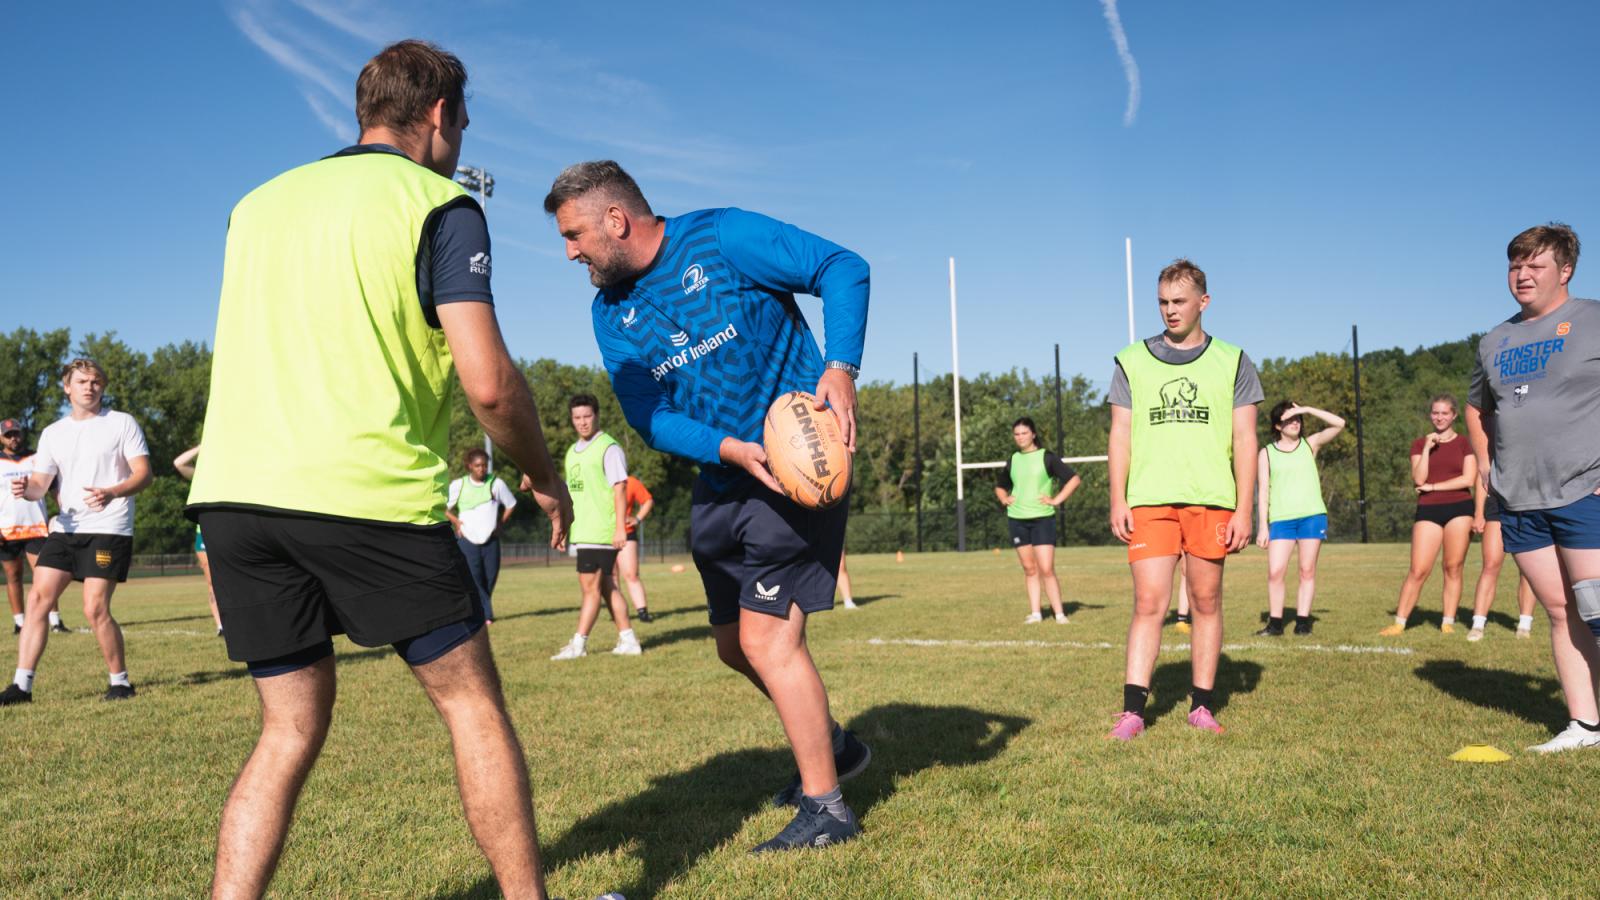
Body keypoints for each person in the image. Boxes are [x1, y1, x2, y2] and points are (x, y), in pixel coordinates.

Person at [182, 41, 578, 898]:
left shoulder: (256, 204)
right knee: (470, 705)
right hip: (361, 491)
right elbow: (489, 383)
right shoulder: (440, 203)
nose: (464, 142)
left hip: (233, 496)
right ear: (437, 115)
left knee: (286, 731)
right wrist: (544, 474)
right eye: (464, 122)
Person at [547, 159, 872, 851]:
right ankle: (833, 746)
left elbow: (843, 266)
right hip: (724, 477)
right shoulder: (611, 313)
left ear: (616, 220)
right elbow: (647, 413)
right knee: (732, 646)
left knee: (767, 639)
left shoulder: (721, 238)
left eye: (574, 233)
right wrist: (728, 448)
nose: (569, 250)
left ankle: (828, 809)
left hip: (795, 472)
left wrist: (840, 369)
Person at [1106, 259, 1261, 740]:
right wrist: (1118, 498)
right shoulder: (1130, 359)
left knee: (1205, 600)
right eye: (1163, 302)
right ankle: (1133, 711)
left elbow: (1245, 440)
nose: (1170, 311)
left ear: (1203, 303)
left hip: (1211, 498)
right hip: (1150, 500)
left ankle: (1201, 705)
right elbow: (1120, 436)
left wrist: (1244, 508)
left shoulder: (1233, 360)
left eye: (1178, 301)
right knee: (1149, 601)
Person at [1467, 222, 1600, 753]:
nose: (1522, 274)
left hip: (1584, 490)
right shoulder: (1493, 340)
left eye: (1535, 265)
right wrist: (1483, 464)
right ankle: (1585, 725)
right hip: (1519, 498)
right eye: (1515, 265)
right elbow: (1478, 408)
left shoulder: (1592, 320)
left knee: (1597, 610)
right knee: (1561, 612)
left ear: (1564, 271)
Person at [2, 359, 152, 705]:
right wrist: (27, 489)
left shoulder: (121, 423)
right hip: (66, 527)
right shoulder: (53, 433)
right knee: (38, 599)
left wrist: (113, 491)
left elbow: (144, 474)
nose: (90, 386)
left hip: (109, 527)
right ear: (67, 387)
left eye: (97, 381)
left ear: (103, 387)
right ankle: (21, 686)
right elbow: (41, 484)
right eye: (82, 381)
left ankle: (120, 683)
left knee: (94, 608)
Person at [550, 394, 641, 659]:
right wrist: (564, 528)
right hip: (582, 531)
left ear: (597, 415)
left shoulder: (608, 447)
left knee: (590, 588)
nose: (582, 422)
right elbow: (570, 495)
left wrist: (619, 528)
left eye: (587, 416)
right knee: (605, 587)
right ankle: (628, 639)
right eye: (577, 418)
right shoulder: (571, 452)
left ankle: (578, 645)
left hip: (601, 531)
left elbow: (620, 488)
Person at [1380, 395, 1477, 636]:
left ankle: (1447, 622)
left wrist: (1435, 487)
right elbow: (1419, 479)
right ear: (1430, 415)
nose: (1439, 417)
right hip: (1428, 510)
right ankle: (1399, 622)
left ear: (1454, 415)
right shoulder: (1418, 444)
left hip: (1460, 508)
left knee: (1452, 567)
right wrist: (1426, 448)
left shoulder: (1466, 443)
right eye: (1435, 413)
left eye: (1445, 413)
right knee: (1418, 569)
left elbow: (1469, 480)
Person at [1253, 401, 1344, 635]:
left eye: (1297, 419)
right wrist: (1262, 527)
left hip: (1312, 516)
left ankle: (1303, 622)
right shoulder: (1267, 453)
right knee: (1275, 572)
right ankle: (1275, 625)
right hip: (1281, 520)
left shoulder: (1310, 444)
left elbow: (1339, 424)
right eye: (1288, 419)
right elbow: (1263, 491)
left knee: (1307, 570)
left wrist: (1306, 409)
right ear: (1277, 426)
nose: (1294, 422)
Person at [994, 416, 1081, 624]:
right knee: (1029, 569)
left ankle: (1059, 614)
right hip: (1017, 519)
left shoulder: (1047, 457)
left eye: (1024, 433)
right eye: (1016, 434)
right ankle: (1035, 613)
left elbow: (1074, 479)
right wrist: (1004, 498)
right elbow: (999, 486)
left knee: (1046, 568)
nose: (1020, 437)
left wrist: (1057, 499)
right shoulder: (1013, 459)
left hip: (1042, 519)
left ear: (1033, 434)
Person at [2, 418, 67, 636]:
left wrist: (63, 507)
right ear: (1, 437)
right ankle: (20, 623)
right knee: (13, 577)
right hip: (6, 529)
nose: (14, 438)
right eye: (9, 435)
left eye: (16, 434)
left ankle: (55, 621)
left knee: (45, 575)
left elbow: (52, 486)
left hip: (36, 526)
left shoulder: (36, 458)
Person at [446, 447, 517, 624]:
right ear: (469, 466)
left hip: (490, 539)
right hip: (467, 539)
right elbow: (443, 508)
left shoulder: (496, 484)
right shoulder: (459, 485)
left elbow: (511, 504)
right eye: (478, 466)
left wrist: (500, 523)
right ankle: (486, 615)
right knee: (475, 577)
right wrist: (456, 522)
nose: (482, 469)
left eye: (485, 465)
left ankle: (481, 608)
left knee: (490, 576)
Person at [1467, 488, 1536, 642]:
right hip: (1498, 503)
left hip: (1531, 503)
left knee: (1527, 568)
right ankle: (1477, 625)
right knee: (1490, 565)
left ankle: (1524, 625)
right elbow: (1483, 475)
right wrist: (1479, 512)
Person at [173, 446, 224, 636]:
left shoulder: (232, 479)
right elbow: (179, 463)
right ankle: (221, 626)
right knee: (213, 582)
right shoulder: (202, 478)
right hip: (205, 535)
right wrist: (203, 445)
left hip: (229, 533)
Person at [615, 474, 654, 622]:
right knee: (611, 578)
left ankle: (642, 613)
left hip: (626, 533)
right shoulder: (600, 480)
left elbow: (648, 500)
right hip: (604, 534)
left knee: (631, 574)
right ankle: (617, 612)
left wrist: (637, 519)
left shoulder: (630, 482)